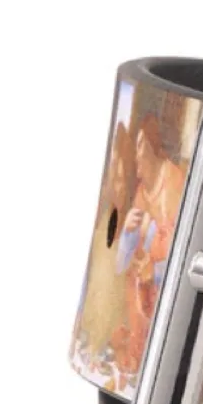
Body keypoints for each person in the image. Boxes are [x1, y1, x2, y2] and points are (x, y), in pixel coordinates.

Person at [113, 115, 186, 375]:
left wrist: (154, 271)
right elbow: (121, 265)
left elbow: (185, 259)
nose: (136, 156)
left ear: (155, 147)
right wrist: (127, 233)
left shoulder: (176, 184)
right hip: (140, 297)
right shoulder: (142, 192)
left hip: (167, 299)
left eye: (140, 146)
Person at [76, 120, 137, 368]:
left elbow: (123, 266)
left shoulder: (131, 218)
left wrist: (128, 235)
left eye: (123, 180)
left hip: (113, 323)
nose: (119, 188)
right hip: (97, 319)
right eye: (116, 180)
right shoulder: (104, 219)